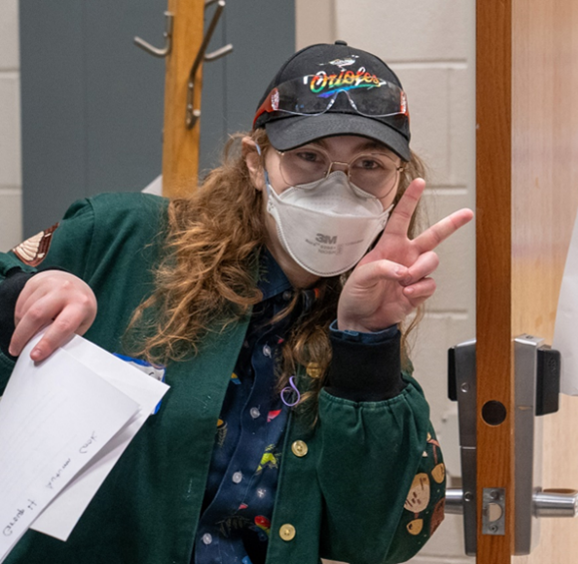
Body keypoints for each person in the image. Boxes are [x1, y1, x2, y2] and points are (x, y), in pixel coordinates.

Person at [0, 41, 472, 564]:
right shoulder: (119, 242)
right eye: (309, 158)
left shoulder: (364, 328)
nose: (338, 190)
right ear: (255, 162)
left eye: (369, 164)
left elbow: (376, 540)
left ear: (398, 183)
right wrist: (18, 298)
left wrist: (365, 342)